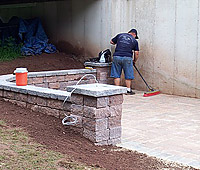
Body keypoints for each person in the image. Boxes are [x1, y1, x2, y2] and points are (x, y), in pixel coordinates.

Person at [110, 28, 139, 95]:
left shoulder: (120, 35)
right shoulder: (134, 41)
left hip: (117, 56)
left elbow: (111, 42)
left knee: (116, 74)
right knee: (128, 74)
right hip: (127, 57)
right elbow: (136, 53)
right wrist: (134, 60)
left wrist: (116, 43)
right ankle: (128, 90)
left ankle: (117, 90)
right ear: (134, 34)